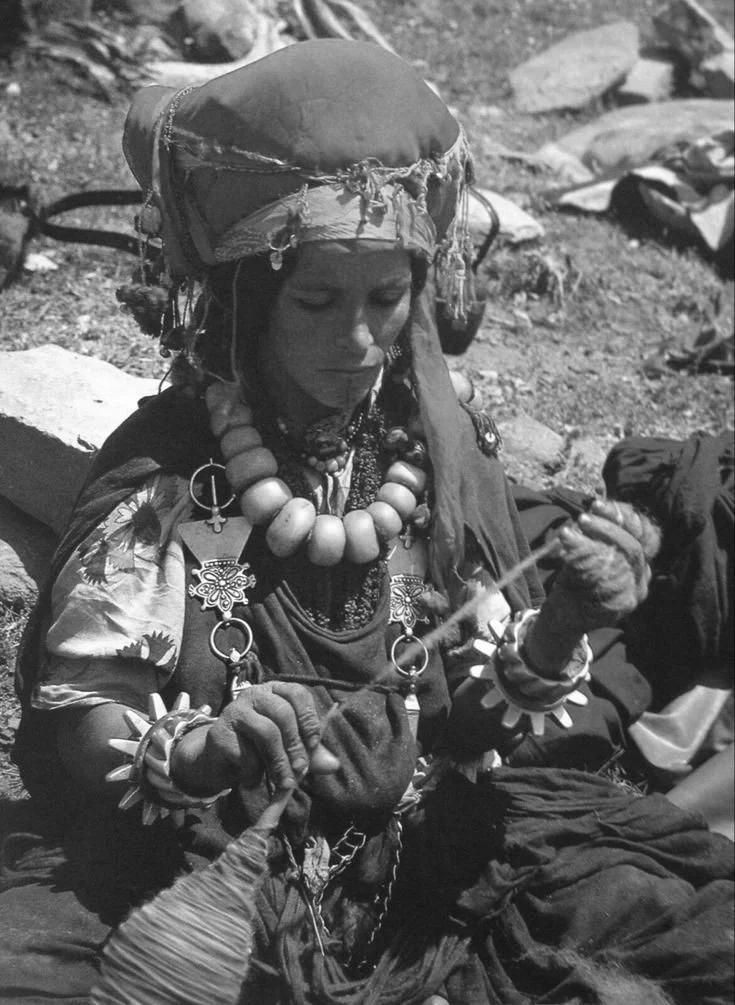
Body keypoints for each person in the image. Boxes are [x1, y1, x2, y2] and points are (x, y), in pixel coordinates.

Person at [2, 39, 732, 1005]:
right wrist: (203, 750)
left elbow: (465, 731)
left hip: (414, 865)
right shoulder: (171, 469)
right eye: (316, 299)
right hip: (189, 861)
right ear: (250, 299)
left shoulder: (431, 460)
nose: (358, 341)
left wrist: (560, 621)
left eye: (386, 299)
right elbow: (85, 721)